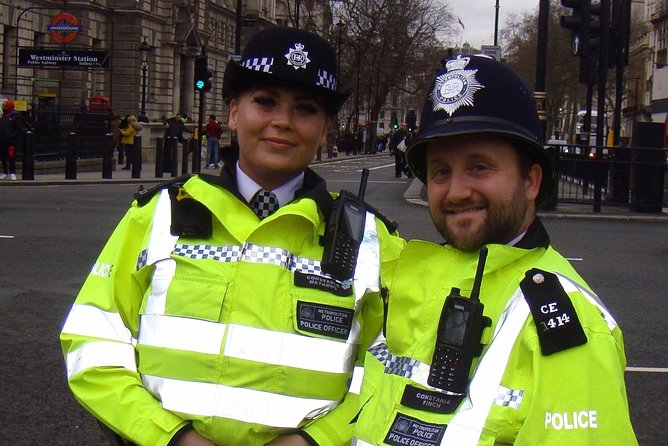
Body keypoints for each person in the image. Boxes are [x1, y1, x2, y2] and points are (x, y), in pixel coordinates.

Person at [60, 26, 404, 446]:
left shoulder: (371, 238)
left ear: (325, 129)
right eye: (265, 102)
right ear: (234, 113)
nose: (282, 121)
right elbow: (92, 341)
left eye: (306, 108)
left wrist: (314, 441)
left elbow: (395, 370)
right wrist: (172, 438)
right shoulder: (159, 213)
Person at [352, 55, 637, 445]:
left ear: (531, 181)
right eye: (441, 171)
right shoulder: (408, 283)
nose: (456, 191)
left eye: (480, 167)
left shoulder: (566, 322)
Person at [0, 100, 23, 181]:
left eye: (6, 106)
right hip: (2, 140)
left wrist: (12, 137)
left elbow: (18, 129)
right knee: (3, 157)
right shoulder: (4, 115)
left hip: (11, 141)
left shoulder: (16, 116)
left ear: (9, 107)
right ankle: (5, 173)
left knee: (11, 157)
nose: (4, 108)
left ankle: (12, 173)